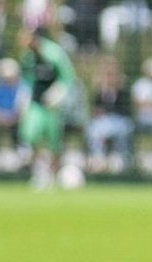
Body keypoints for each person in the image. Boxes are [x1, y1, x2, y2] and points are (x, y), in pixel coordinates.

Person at [18, 22, 78, 190]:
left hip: (53, 105)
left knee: (53, 141)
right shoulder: (28, 57)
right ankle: (39, 172)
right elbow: (27, 80)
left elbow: (67, 77)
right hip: (36, 104)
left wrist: (57, 94)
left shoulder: (54, 53)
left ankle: (53, 173)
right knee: (31, 134)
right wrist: (24, 101)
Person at [85, 56, 133, 174]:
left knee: (123, 131)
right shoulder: (100, 90)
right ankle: (98, 161)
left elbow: (126, 109)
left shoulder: (123, 89)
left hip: (119, 120)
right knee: (94, 131)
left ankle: (122, 162)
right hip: (104, 121)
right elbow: (95, 109)